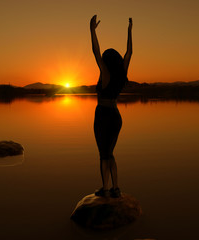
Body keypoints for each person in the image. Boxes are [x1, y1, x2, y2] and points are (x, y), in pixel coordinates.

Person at [90, 15, 132, 197]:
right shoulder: (121, 74)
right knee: (111, 153)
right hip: (115, 116)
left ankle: (105, 189)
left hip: (102, 115)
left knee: (103, 154)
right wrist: (129, 31)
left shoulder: (105, 73)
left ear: (107, 61)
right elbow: (129, 53)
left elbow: (96, 53)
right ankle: (116, 188)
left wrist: (91, 31)